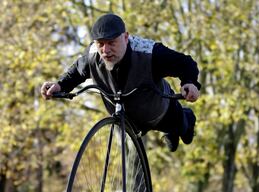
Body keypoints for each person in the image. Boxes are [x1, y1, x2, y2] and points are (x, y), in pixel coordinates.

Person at [40, 13, 200, 152]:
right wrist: (59, 85)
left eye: (111, 42)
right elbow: (75, 72)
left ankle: (184, 120)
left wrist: (190, 82)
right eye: (100, 43)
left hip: (160, 110)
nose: (105, 50)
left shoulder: (149, 52)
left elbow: (185, 63)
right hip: (128, 118)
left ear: (125, 37)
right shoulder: (92, 55)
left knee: (184, 132)